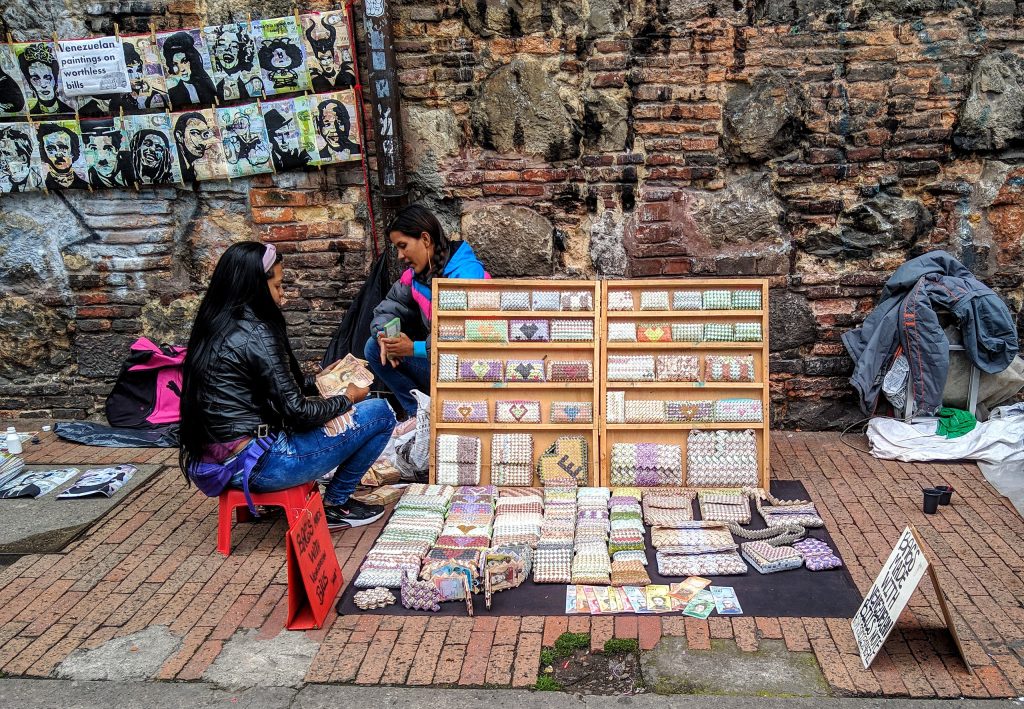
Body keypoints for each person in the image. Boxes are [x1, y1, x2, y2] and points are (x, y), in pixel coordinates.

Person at [179, 242, 395, 529]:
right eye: (278, 287)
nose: (282, 297)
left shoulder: (215, 324)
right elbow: (297, 411)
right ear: (256, 287)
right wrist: (349, 398)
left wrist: (317, 382)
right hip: (263, 465)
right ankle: (336, 504)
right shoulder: (258, 332)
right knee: (380, 412)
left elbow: (267, 388)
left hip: (222, 463)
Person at [366, 205, 488, 418]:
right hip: (439, 362)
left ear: (425, 239)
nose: (400, 256)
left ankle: (437, 414)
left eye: (403, 246)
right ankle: (419, 416)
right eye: (397, 248)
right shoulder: (415, 277)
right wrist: (387, 338)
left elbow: (462, 339)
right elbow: (387, 307)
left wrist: (412, 348)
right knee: (374, 347)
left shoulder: (466, 275)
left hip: (472, 369)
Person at [110, 42, 169, 114]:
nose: (137, 75)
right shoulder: (117, 100)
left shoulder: (154, 94)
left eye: (138, 69)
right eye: (130, 71)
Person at [161, 32, 217, 108]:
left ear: (192, 61)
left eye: (184, 61)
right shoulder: (173, 93)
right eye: (175, 64)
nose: (182, 69)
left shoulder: (207, 85)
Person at [209, 24, 262, 102]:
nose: (228, 50)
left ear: (242, 51)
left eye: (234, 46)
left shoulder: (252, 83)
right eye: (222, 45)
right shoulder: (218, 86)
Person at [17, 43, 74, 116]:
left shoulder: (71, 112)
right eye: (35, 79)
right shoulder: (30, 115)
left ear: (56, 82)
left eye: (47, 78)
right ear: (30, 85)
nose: (43, 85)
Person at [305, 19, 354, 92]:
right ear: (318, 60)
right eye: (323, 60)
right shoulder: (316, 77)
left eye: (329, 58)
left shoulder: (345, 72)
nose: (327, 62)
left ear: (333, 58)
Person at [38, 122, 89, 190]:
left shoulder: (86, 186)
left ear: (73, 151)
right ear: (44, 153)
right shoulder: (43, 188)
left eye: (63, 148)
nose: (59, 154)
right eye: (51, 149)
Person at [82, 120, 132, 188]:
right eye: (94, 149)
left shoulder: (130, 168)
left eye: (108, 148)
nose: (101, 158)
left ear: (117, 149)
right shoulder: (88, 178)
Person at [173, 111, 219, 183]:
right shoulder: (176, 165)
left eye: (204, 135)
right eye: (194, 133)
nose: (202, 142)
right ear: (179, 136)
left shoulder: (190, 165)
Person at [0, 125, 43, 192]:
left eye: (7, 154)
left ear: (24, 157)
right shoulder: (3, 182)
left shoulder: (38, 181)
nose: (2, 160)